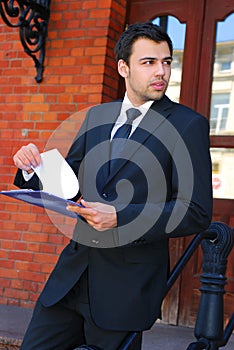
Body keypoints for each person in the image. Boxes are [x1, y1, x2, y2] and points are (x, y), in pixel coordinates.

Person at [13, 22, 213, 350]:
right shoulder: (97, 117)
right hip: (70, 278)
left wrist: (120, 216)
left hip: (125, 288)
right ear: (123, 67)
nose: (160, 71)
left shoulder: (187, 125)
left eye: (166, 62)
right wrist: (32, 169)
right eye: (148, 62)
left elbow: (195, 211)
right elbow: (70, 183)